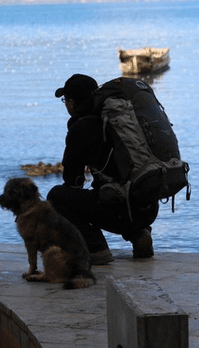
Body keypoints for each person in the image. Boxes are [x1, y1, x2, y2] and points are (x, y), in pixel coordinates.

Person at [47, 74, 159, 265]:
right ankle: (139, 233)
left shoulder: (81, 127)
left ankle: (95, 248)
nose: (66, 105)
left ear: (72, 103)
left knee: (57, 196)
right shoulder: (121, 118)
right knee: (113, 191)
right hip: (149, 206)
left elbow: (72, 180)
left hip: (120, 210)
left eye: (66, 100)